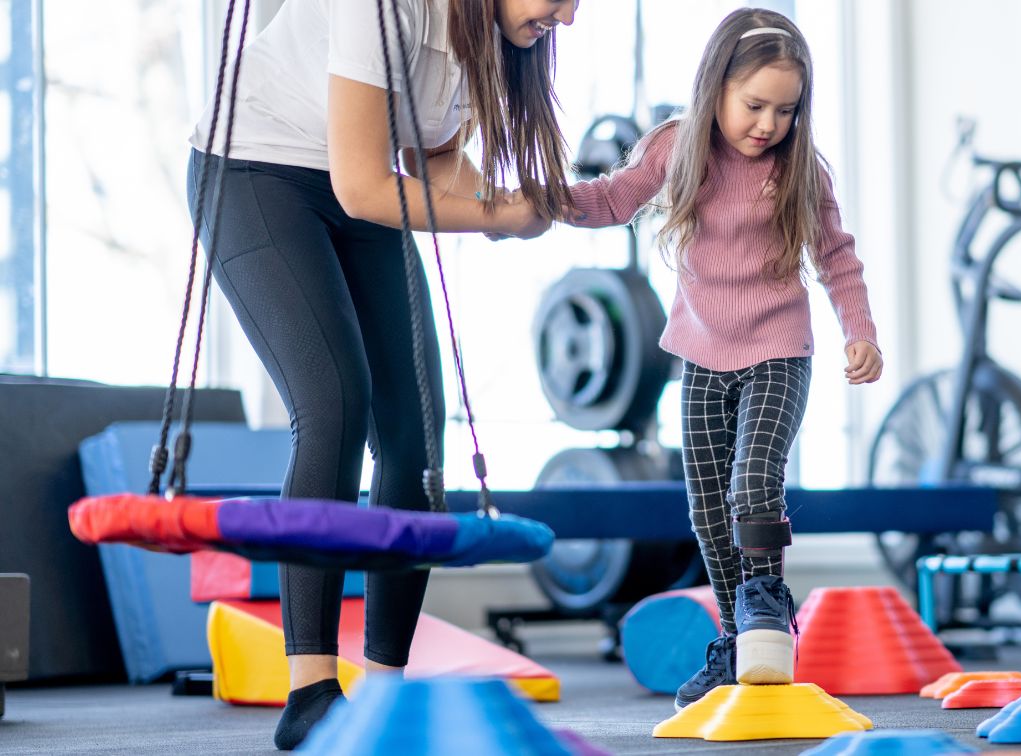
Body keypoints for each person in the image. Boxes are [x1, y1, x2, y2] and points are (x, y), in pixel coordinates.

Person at [185, 0, 574, 749]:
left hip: (352, 178)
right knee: (335, 402)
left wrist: (511, 202)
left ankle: (387, 692)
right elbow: (365, 187)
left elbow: (430, 159)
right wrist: (493, 217)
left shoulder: (486, 35)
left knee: (417, 433)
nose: (569, 14)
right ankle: (310, 690)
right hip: (255, 167)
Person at [560, 7, 882, 711]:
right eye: (754, 105)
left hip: (778, 351)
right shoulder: (679, 146)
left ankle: (767, 606)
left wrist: (860, 332)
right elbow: (615, 198)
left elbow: (836, 256)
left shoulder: (800, 168)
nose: (768, 124)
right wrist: (544, 200)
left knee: (752, 475)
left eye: (786, 110)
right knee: (707, 510)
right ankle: (742, 642)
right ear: (716, 89)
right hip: (702, 355)